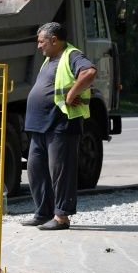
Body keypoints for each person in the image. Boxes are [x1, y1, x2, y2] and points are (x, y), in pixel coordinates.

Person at [23, 22, 98, 231]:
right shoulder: (49, 59)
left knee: (61, 172)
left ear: (54, 40)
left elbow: (89, 73)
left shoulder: (72, 55)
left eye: (41, 41)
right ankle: (43, 213)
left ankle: (61, 217)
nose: (38, 46)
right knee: (36, 170)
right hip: (40, 126)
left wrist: (71, 94)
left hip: (60, 125)